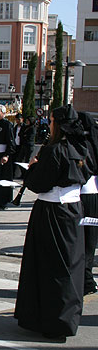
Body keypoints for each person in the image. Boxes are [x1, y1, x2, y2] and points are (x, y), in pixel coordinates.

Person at [14, 105, 87, 340]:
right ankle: (66, 317)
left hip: (52, 213)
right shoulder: (80, 149)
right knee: (70, 264)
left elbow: (39, 183)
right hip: (73, 212)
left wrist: (33, 168)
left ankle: (51, 319)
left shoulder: (54, 150)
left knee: (49, 265)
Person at [78, 112, 98, 296]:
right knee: (89, 240)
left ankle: (84, 279)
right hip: (92, 195)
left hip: (82, 195)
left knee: (82, 240)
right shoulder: (93, 141)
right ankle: (87, 279)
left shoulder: (82, 144)